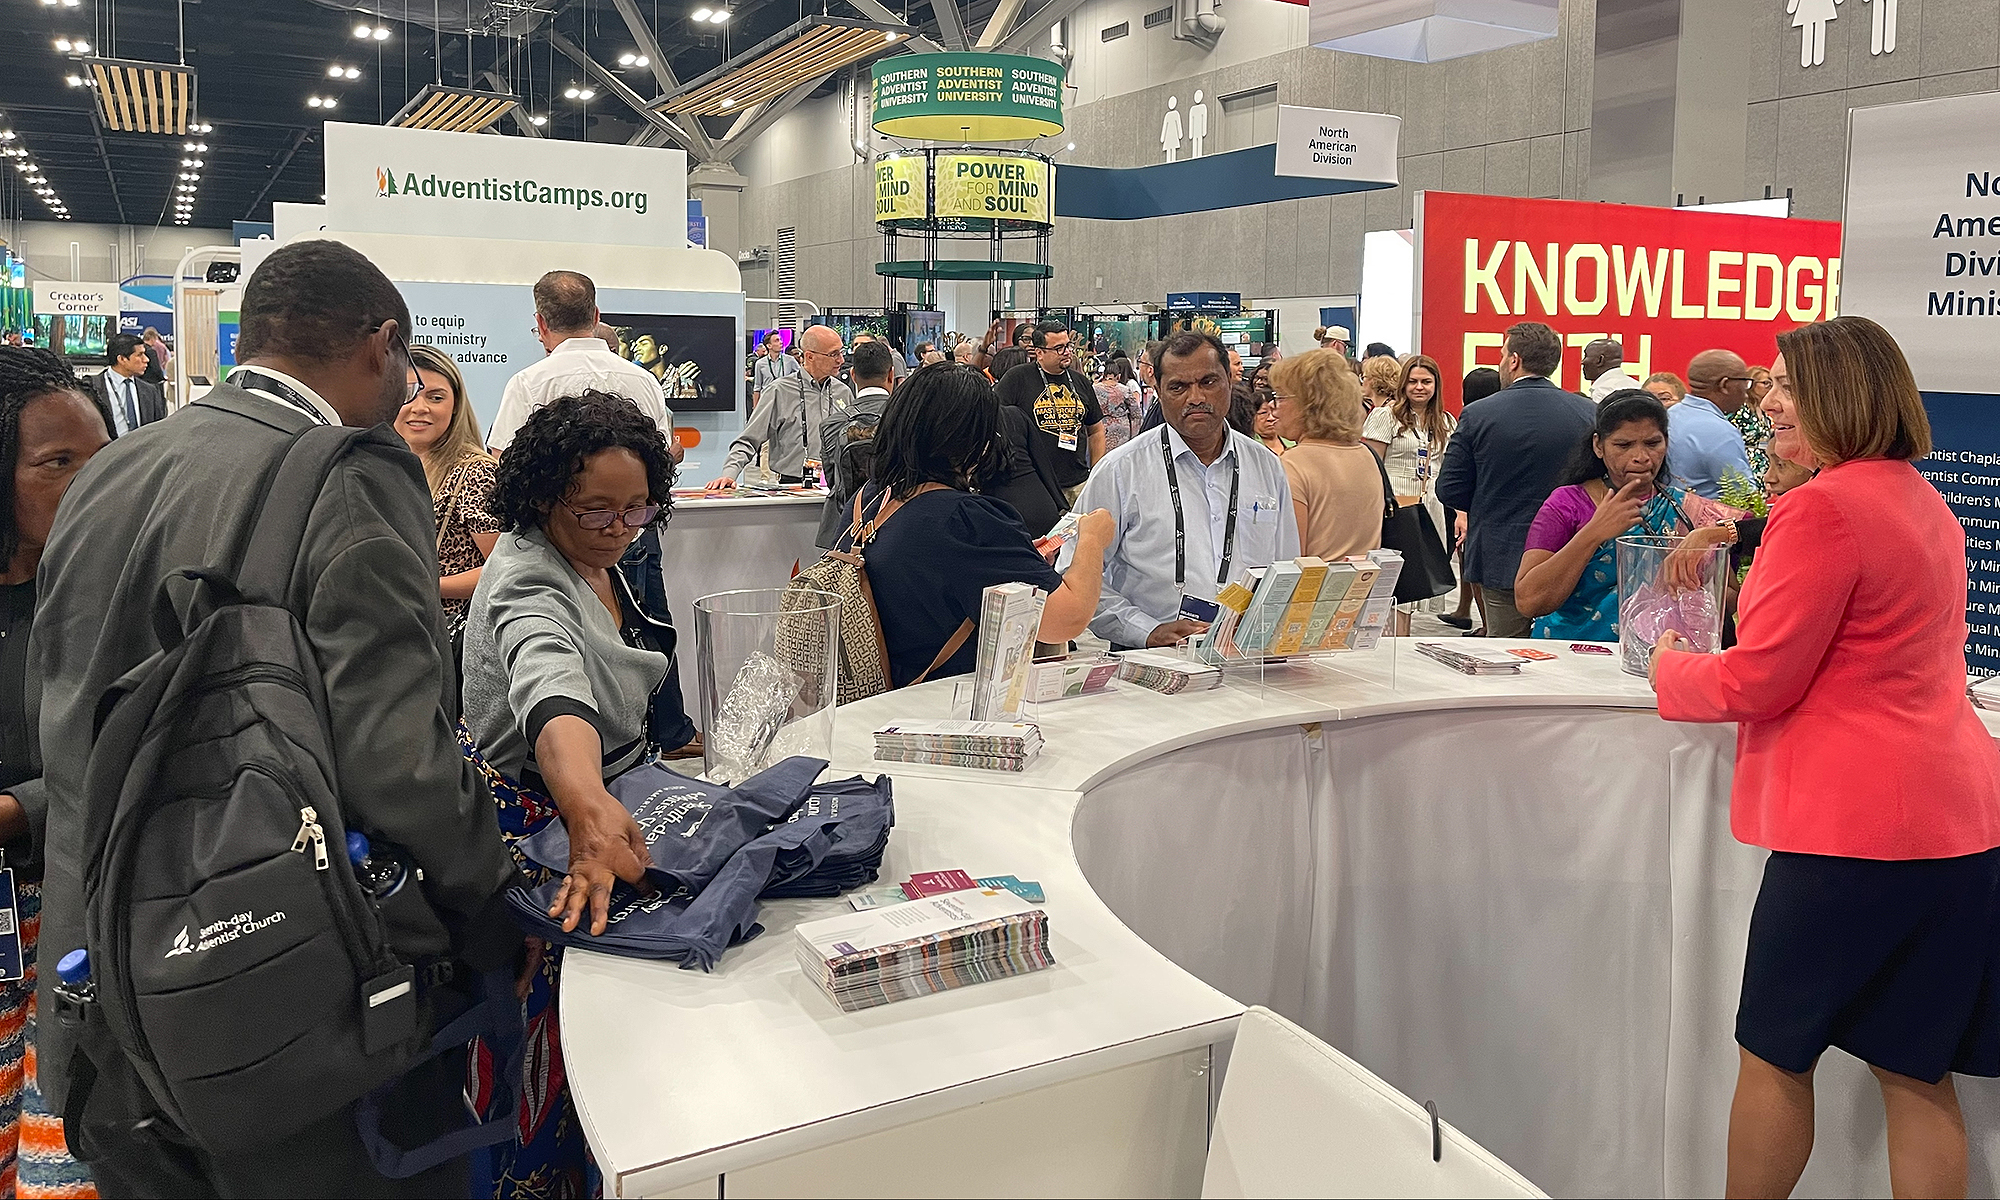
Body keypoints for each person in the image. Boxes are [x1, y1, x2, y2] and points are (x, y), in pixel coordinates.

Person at [34, 239, 522, 1195]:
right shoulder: (347, 472)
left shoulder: (111, 467)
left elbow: (64, 711)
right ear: (381, 345)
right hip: (281, 996)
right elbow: (397, 761)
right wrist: (495, 904)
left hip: (111, 990)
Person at [1651, 316, 2000, 1199]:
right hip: (1958, 824)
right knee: (1917, 1068)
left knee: (1775, 1054)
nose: (1767, 404)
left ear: (1845, 398)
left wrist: (1668, 668)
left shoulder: (1824, 506)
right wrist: (1736, 534)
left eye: (1786, 388)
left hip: (1853, 836)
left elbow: (1757, 680)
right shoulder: (1920, 499)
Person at [461, 392, 676, 1198]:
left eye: (637, 508)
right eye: (597, 510)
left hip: (587, 810)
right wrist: (587, 808)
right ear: (544, 496)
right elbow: (551, 693)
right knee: (563, 1045)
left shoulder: (589, 557)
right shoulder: (527, 581)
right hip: (547, 831)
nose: (621, 528)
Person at [0, 348, 107, 1199]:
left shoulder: (111, 591)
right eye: (57, 463)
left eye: (101, 460)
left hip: (78, 912)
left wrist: (20, 808)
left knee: (61, 1150)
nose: (88, 483)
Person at [852, 364, 1113, 686]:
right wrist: (1091, 539)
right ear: (973, 437)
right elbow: (1065, 619)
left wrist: (1015, 560)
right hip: (943, 700)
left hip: (876, 693)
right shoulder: (966, 520)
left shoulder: (869, 500)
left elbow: (931, 577)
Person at [1077, 330, 1298, 650]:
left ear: (1230, 382)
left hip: (1248, 659)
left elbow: (1286, 566)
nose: (1195, 397)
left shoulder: (1266, 467)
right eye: (1178, 387)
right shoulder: (1121, 471)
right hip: (1148, 659)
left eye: (1208, 382)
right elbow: (1076, 571)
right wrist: (1146, 631)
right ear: (1159, 392)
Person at [1514, 390, 1735, 640]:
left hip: (1659, 661)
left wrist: (1691, 589)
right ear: (1598, 446)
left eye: (1652, 444)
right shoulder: (1567, 504)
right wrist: (1594, 533)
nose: (1641, 457)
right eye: (1624, 445)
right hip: (1571, 657)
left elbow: (1729, 596)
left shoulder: (1687, 510)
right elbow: (1529, 601)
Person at [1436, 321, 1596, 638]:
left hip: (1500, 552)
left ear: (1514, 360)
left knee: (1505, 657)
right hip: (1571, 556)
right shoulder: (1589, 413)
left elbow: (1449, 487)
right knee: (1569, 656)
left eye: (1502, 355)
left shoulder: (1478, 414)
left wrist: (1486, 505)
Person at [488, 271, 683, 465]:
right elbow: (660, 460)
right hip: (634, 496)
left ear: (541, 323)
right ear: (596, 316)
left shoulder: (527, 384)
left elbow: (504, 463)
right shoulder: (646, 381)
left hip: (557, 497)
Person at [396, 344, 502, 637]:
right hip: (402, 631)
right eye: (408, 395)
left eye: (435, 397)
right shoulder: (387, 466)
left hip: (451, 638)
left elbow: (503, 568)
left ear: (455, 405)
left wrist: (429, 586)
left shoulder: (476, 473)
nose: (420, 407)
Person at [1365, 354, 1456, 633]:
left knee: (1421, 580)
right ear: (1403, 384)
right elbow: (1370, 464)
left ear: (1436, 385)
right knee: (1397, 581)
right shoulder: (1386, 416)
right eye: (1413, 381)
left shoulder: (1445, 421)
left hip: (1432, 505)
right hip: (1396, 507)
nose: (1419, 387)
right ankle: (1396, 642)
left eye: (1426, 381)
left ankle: (1404, 640)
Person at [708, 325, 854, 490]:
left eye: (841, 352)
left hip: (837, 486)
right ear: (810, 356)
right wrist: (729, 474)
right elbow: (748, 439)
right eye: (833, 354)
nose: (841, 360)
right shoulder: (780, 391)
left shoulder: (843, 392)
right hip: (794, 486)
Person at [1271, 348, 1383, 562]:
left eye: (1280, 397)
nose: (1274, 408)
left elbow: (1291, 557)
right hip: (1363, 588)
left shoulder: (1293, 464)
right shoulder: (1366, 455)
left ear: (1308, 404)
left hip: (1313, 591)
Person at [996, 322, 1106, 503]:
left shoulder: (1080, 381)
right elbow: (995, 420)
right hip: (1036, 484)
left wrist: (1095, 472)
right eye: (1058, 348)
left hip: (1077, 482)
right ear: (1039, 352)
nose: (1067, 352)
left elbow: (1096, 430)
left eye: (1068, 345)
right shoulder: (1017, 378)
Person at [1443, 366, 1508, 631]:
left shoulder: (1471, 420)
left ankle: (1484, 623)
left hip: (1473, 507)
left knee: (1474, 566)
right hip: (1492, 507)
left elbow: (1454, 478)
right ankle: (1470, 613)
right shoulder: (1501, 422)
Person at [816, 338, 896, 548]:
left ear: (852, 375)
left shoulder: (831, 425)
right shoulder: (911, 418)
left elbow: (834, 481)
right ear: (891, 374)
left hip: (845, 531)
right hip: (896, 528)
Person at [1670, 349, 1757, 498]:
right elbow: (1745, 496)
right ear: (1725, 385)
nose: (1746, 391)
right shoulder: (1721, 433)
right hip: (1708, 520)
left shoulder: (1671, 415)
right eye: (1745, 382)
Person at [89, 332, 166, 438]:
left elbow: (158, 430)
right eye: (139, 355)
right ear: (121, 359)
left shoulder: (150, 391)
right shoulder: (92, 389)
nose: (146, 360)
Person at [1095, 357, 1144, 452]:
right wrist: (1134, 436)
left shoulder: (1094, 389)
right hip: (1122, 431)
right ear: (1119, 376)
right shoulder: (1125, 390)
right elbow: (1136, 413)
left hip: (1100, 429)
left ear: (1104, 375)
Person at [1738, 364, 1776, 479]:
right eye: (1765, 383)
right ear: (1751, 384)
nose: (1769, 387)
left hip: (1763, 463)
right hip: (1745, 465)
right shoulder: (1740, 410)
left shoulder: (1764, 412)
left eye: (1771, 384)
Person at [1581, 337, 1642, 402]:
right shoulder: (1637, 386)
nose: (1582, 362)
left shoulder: (1602, 391)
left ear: (1600, 360)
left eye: (1586, 356)